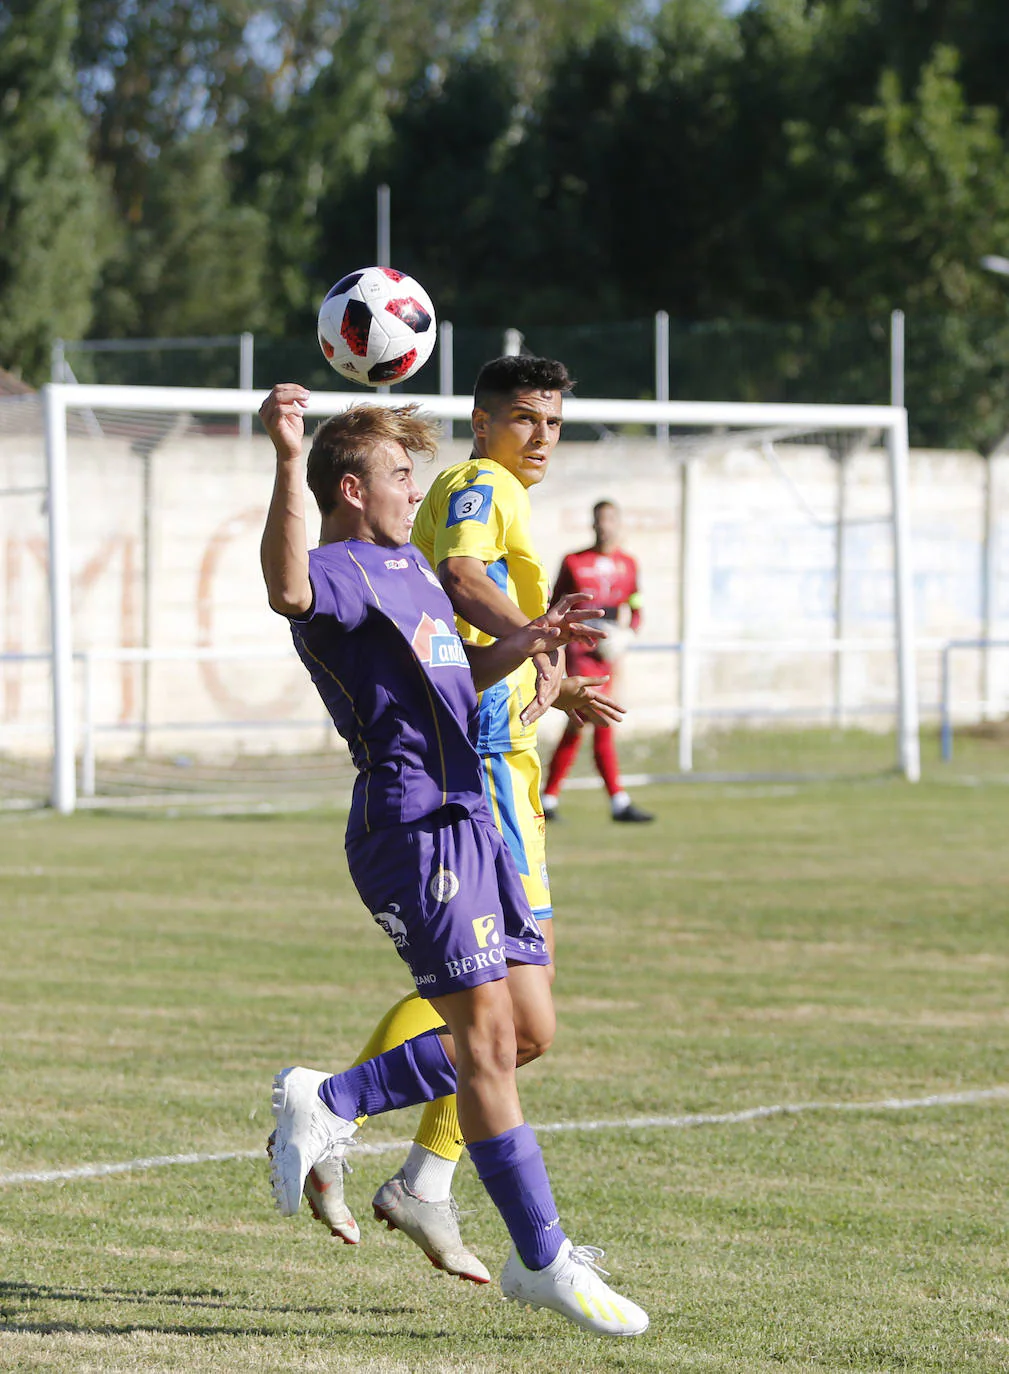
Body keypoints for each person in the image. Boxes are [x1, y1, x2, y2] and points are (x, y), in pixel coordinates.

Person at [259, 383, 648, 1337]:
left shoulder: (412, 570)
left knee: (519, 1032)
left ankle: (336, 1097)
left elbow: (453, 674)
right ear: (351, 488)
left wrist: (527, 645)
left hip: (472, 817)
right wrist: (282, 454)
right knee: (483, 1049)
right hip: (414, 825)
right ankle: (542, 1256)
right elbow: (286, 590)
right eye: (399, 473)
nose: (413, 487)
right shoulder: (345, 566)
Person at [542, 501, 654, 824]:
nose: (605, 526)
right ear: (592, 524)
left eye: (610, 520)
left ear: (619, 524)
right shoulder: (574, 562)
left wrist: (628, 635)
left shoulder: (629, 564)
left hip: (609, 655)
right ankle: (618, 801)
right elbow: (555, 605)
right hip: (580, 652)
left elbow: (637, 605)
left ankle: (549, 798)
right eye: (599, 520)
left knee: (579, 723)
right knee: (598, 716)